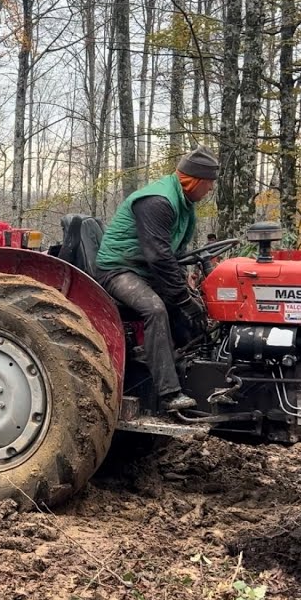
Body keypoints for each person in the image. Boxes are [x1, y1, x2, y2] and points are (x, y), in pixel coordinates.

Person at [93, 146, 221, 412]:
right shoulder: (158, 201)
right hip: (118, 269)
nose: (210, 190)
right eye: (209, 184)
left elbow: (178, 252)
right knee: (154, 309)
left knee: (193, 308)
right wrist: (182, 297)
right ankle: (169, 392)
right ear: (195, 180)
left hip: (146, 270)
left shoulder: (184, 203)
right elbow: (159, 256)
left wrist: (189, 294)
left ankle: (195, 371)